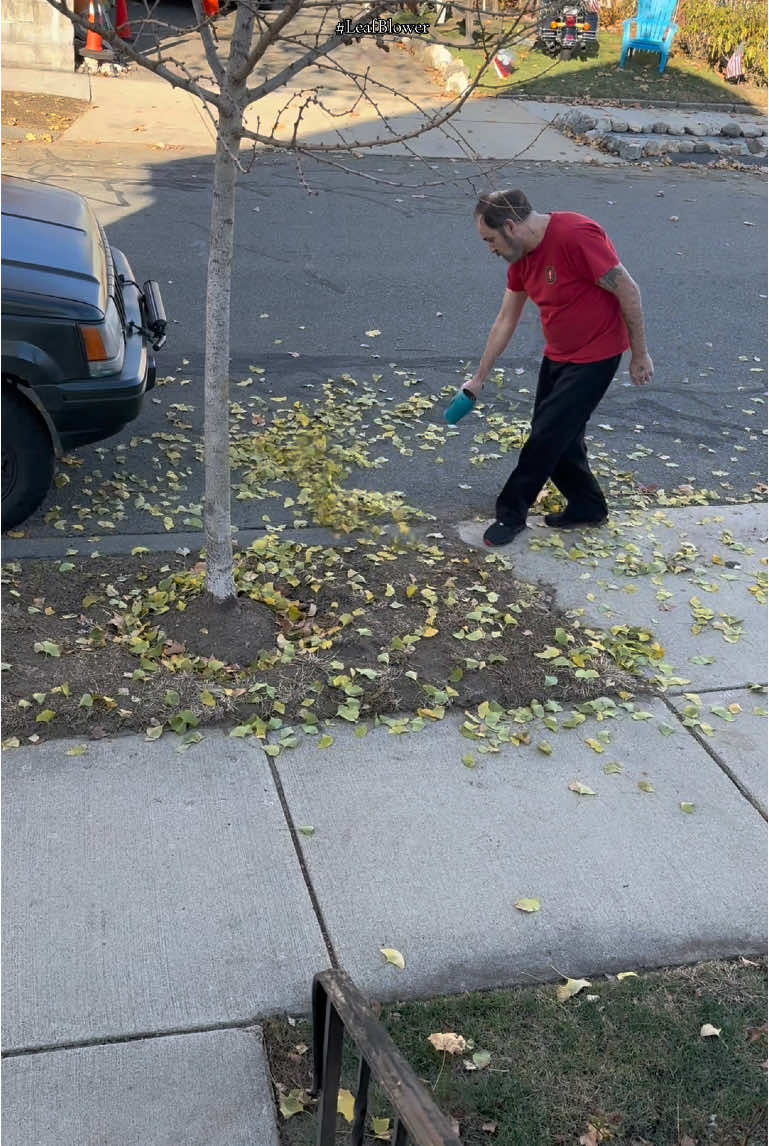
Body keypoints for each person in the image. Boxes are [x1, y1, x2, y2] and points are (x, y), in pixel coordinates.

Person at [465, 188, 653, 548]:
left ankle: (510, 512)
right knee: (561, 439)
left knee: (546, 436)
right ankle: (588, 507)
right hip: (559, 353)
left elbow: (628, 290)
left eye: (490, 239)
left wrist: (639, 354)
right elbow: (506, 319)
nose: (489, 249)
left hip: (597, 355)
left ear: (510, 227)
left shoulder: (576, 235)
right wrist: (479, 378)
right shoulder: (520, 259)